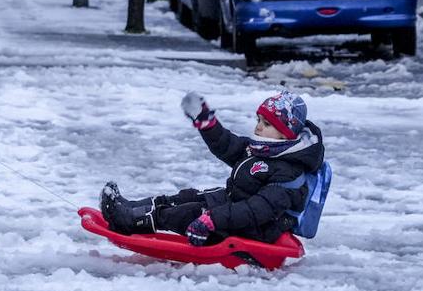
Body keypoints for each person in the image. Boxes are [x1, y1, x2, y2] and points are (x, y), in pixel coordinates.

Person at [100, 90, 324, 246]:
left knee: (187, 213)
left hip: (255, 228)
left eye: (267, 124)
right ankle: (129, 208)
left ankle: (129, 222)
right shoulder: (266, 149)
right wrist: (208, 124)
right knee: (185, 197)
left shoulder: (288, 171)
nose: (258, 127)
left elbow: (257, 209)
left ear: (286, 132)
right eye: (258, 119)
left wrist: (212, 220)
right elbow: (229, 146)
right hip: (232, 205)